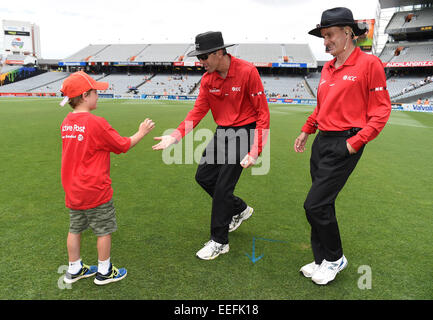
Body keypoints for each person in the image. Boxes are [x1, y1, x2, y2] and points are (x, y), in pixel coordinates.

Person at [293, 7, 391, 285]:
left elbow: (382, 111)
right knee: (322, 203)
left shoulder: (370, 65)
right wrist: (306, 130)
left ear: (349, 33)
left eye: (330, 35)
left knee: (314, 204)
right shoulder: (328, 67)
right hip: (322, 141)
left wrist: (354, 143)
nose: (325, 42)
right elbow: (323, 106)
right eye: (323, 36)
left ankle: (335, 258)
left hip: (345, 143)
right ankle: (321, 259)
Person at [152, 31, 270, 260]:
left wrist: (256, 150)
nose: (200, 62)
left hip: (245, 131)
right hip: (222, 132)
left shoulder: (247, 72)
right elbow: (197, 112)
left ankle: (219, 241)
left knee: (223, 187)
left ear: (219, 53)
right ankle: (240, 209)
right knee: (203, 177)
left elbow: (262, 114)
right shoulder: (208, 79)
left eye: (204, 57)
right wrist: (175, 136)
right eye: (199, 57)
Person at [60, 71, 155, 285]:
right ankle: (105, 271)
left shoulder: (67, 121)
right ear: (85, 96)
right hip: (95, 189)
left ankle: (74, 268)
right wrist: (141, 132)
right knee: (104, 231)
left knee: (75, 229)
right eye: (95, 92)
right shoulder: (96, 123)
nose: (98, 95)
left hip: (73, 188)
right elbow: (122, 145)